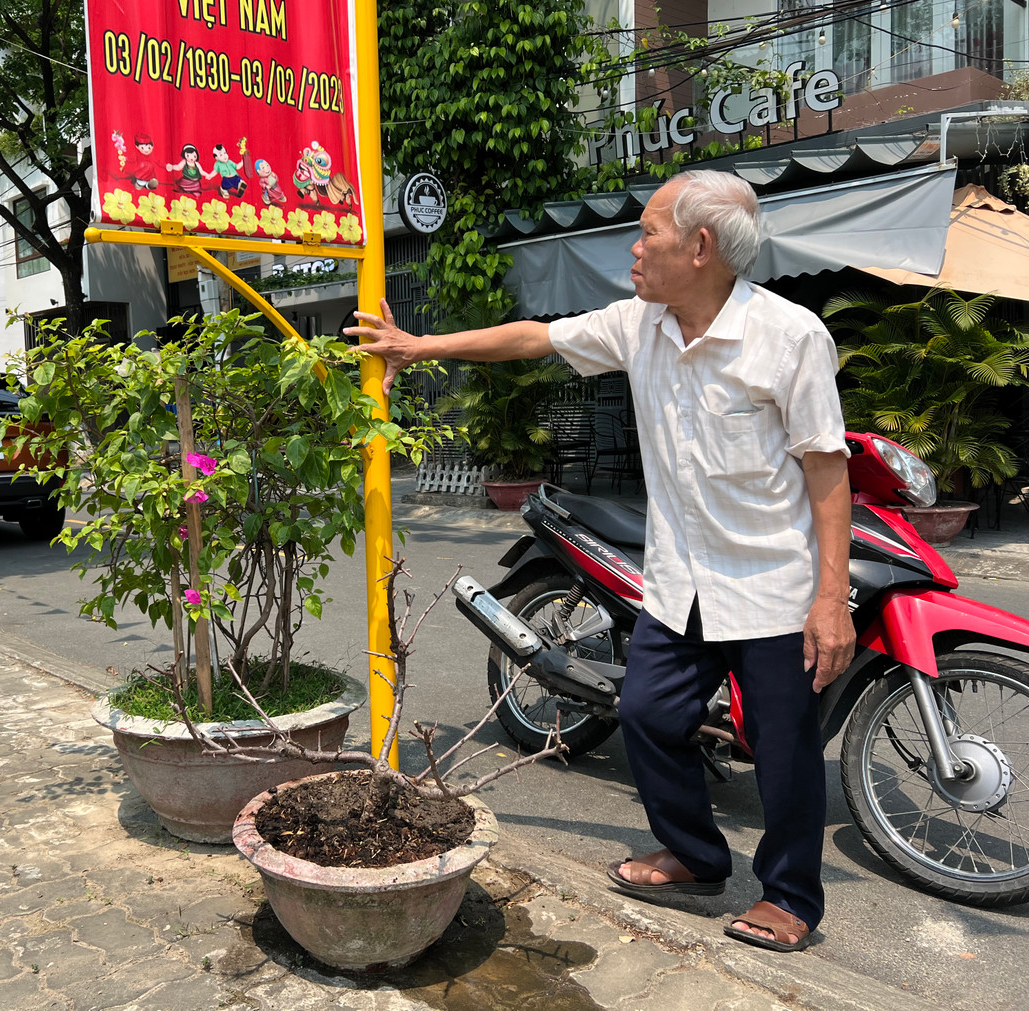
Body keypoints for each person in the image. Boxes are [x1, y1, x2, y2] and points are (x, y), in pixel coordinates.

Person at [345, 169, 855, 953]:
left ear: (701, 247)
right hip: (679, 583)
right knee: (647, 713)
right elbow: (534, 337)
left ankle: (789, 896)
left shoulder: (790, 337)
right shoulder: (638, 324)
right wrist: (419, 347)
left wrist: (829, 598)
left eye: (648, 232)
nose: (635, 247)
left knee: (783, 748)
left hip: (771, 586)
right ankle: (695, 853)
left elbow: (826, 470)